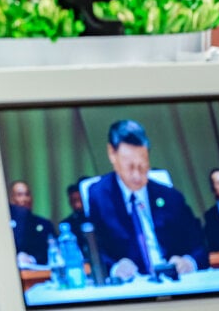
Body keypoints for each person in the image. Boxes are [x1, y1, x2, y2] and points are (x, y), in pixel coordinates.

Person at [86, 120, 208, 281]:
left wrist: (189, 262)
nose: (137, 176)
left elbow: (201, 244)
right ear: (112, 154)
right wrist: (115, 268)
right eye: (130, 167)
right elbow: (92, 250)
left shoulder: (171, 197)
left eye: (143, 166)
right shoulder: (99, 196)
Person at [8, 180, 56, 266]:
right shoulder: (6, 226)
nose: (25, 199)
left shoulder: (44, 224)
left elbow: (52, 251)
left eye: (27, 194)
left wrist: (31, 259)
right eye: (19, 195)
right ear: (11, 199)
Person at [59, 180, 90, 259]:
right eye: (74, 201)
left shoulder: (98, 218)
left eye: (80, 200)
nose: (78, 205)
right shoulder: (67, 224)